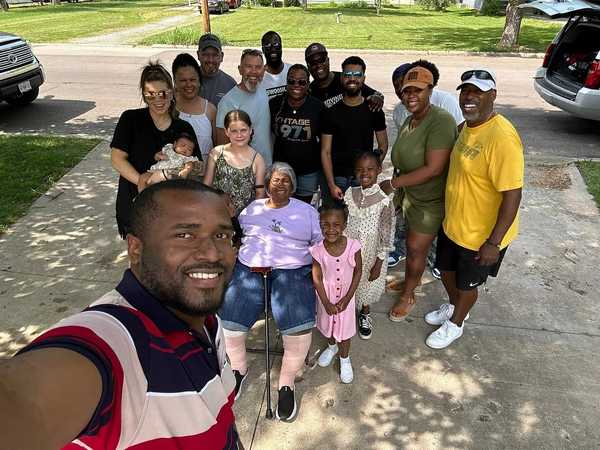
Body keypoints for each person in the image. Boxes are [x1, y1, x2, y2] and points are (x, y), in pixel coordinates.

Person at [0, 180, 243, 449]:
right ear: (135, 248)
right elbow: (20, 398)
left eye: (222, 236)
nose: (211, 253)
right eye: (185, 235)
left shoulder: (205, 318)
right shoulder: (115, 343)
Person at [424, 69, 524, 349]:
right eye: (465, 91)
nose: (469, 97)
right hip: (454, 224)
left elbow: (513, 195)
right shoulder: (468, 126)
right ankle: (455, 307)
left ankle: (456, 323)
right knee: (445, 271)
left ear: (493, 95)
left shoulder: (502, 138)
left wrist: (494, 243)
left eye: (477, 92)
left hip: (481, 236)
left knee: (468, 286)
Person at [218, 162, 322, 422]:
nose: (280, 184)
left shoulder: (307, 212)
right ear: (266, 184)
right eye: (275, 180)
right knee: (230, 320)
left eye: (286, 180)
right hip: (252, 267)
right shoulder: (252, 208)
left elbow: (319, 246)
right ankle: (239, 369)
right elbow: (237, 233)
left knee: (297, 326)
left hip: (292, 270)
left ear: (294, 186)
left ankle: (286, 383)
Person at [384, 66, 457, 322]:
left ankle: (408, 296)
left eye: (418, 90)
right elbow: (403, 159)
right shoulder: (409, 119)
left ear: (430, 90)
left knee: (416, 250)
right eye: (406, 91)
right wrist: (398, 191)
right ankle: (409, 281)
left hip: (430, 201)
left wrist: (394, 184)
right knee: (413, 248)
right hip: (410, 197)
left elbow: (434, 168)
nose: (410, 95)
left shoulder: (441, 121)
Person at [110, 62, 199, 238]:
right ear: (144, 96)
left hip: (172, 208)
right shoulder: (130, 119)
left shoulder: (184, 128)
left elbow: (195, 167)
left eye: (163, 94)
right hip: (135, 203)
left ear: (172, 92)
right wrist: (143, 181)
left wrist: (189, 170)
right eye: (151, 95)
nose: (158, 100)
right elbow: (117, 159)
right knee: (140, 258)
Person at [321, 56, 387, 202]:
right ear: (342, 78)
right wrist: (331, 185)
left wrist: (370, 169)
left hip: (362, 178)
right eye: (348, 75)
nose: (352, 79)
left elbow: (383, 145)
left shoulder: (374, 110)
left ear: (363, 78)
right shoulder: (331, 112)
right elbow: (325, 151)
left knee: (362, 219)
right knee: (337, 220)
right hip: (338, 177)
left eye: (357, 75)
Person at [344, 151, 395, 339]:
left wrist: (379, 262)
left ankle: (364, 312)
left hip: (370, 253)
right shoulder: (350, 193)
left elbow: (387, 235)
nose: (364, 173)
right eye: (359, 170)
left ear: (379, 170)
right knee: (348, 280)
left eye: (370, 169)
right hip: (349, 249)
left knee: (365, 282)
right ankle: (347, 310)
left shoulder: (384, 201)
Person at [311, 202, 362, 384]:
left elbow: (358, 272)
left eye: (336, 225)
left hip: (346, 298)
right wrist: (325, 301)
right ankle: (332, 347)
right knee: (330, 325)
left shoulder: (353, 247)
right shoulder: (318, 250)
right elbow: (316, 276)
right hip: (327, 296)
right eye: (325, 225)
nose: (330, 229)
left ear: (345, 224)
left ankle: (344, 358)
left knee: (345, 331)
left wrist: (348, 299)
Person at [269, 63, 324, 203]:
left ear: (308, 84)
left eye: (301, 82)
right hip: (282, 169)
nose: (296, 85)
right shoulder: (275, 104)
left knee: (303, 208)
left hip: (308, 170)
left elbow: (324, 141)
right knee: (281, 207)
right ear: (286, 83)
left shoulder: (317, 107)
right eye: (291, 81)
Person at [216, 49, 273, 166]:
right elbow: (222, 145)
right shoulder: (228, 102)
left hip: (267, 165)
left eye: (258, 67)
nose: (253, 72)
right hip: (243, 170)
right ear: (240, 69)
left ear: (264, 70)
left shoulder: (263, 90)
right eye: (248, 66)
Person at [204, 109, 266, 216]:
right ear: (226, 131)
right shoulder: (217, 153)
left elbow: (260, 194)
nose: (239, 135)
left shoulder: (257, 159)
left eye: (243, 130)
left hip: (245, 217)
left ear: (250, 130)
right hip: (217, 212)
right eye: (234, 131)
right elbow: (206, 185)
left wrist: (253, 218)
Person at [305, 42, 384, 110]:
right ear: (308, 66)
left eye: (321, 60)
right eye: (313, 62)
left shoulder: (345, 79)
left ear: (328, 60)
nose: (318, 65)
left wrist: (377, 98)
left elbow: (377, 95)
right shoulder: (309, 92)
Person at [393, 60, 464, 129]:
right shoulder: (398, 112)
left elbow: (461, 130)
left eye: (404, 85)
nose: (400, 89)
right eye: (396, 86)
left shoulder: (445, 101)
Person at [172, 52, 216, 161]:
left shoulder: (210, 110)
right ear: (175, 82)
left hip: (204, 174)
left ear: (199, 81)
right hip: (174, 175)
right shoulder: (168, 108)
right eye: (183, 80)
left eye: (192, 80)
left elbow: (218, 148)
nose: (188, 85)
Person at [197, 33, 237, 107]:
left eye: (215, 55)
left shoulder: (230, 84)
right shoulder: (188, 82)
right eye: (206, 54)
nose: (210, 60)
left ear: (221, 56)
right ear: (198, 55)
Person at [261, 31, 291, 99]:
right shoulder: (258, 77)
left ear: (281, 46)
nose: (273, 49)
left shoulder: (292, 71)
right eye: (268, 45)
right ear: (263, 49)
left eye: (276, 44)